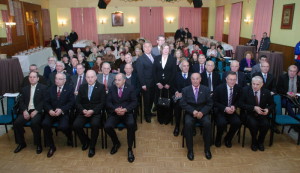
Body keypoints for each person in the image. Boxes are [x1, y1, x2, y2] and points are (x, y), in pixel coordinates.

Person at [104, 73, 137, 163]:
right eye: (115, 80)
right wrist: (115, 109)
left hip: (127, 113)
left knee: (131, 125)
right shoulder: (112, 88)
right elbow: (108, 102)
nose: (116, 82)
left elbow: (134, 102)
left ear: (124, 80)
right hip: (115, 113)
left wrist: (126, 109)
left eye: (119, 80)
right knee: (107, 126)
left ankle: (130, 149)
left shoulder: (131, 88)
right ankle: (116, 143)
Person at [73, 70, 106, 157]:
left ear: (96, 77)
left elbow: (102, 103)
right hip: (83, 112)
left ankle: (92, 146)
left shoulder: (101, 87)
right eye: (88, 77)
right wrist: (82, 110)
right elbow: (77, 102)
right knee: (76, 125)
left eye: (92, 77)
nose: (90, 79)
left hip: (95, 112)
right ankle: (85, 141)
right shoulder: (82, 87)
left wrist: (93, 111)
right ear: (85, 78)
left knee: (95, 125)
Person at [180, 73, 213, 160]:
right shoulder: (185, 90)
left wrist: (202, 112)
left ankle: (207, 149)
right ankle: (190, 150)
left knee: (207, 123)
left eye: (197, 79)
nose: (195, 80)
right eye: (193, 79)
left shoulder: (206, 89)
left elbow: (210, 104)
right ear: (191, 80)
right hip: (190, 113)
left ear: (200, 79)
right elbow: (182, 103)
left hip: (203, 113)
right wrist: (192, 111)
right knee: (188, 123)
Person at [42, 73, 75, 158]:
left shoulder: (69, 89)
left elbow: (71, 102)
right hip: (51, 112)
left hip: (63, 112)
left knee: (63, 126)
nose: (57, 80)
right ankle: (51, 146)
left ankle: (69, 136)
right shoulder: (50, 88)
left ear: (64, 80)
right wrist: (49, 110)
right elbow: (46, 102)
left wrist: (62, 109)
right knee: (45, 124)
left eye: (60, 79)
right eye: (56, 78)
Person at [14, 71, 47, 154]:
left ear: (38, 78)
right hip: (27, 110)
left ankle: (38, 144)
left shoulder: (43, 88)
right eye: (30, 77)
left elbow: (44, 101)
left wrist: (36, 111)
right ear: (28, 78)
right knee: (17, 123)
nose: (32, 79)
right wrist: (24, 111)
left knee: (34, 123)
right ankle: (21, 143)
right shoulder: (25, 89)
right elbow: (21, 101)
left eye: (34, 77)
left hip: (38, 111)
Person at [239, 76, 274, 151]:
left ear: (262, 84)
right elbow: (240, 104)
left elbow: (272, 104)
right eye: (253, 84)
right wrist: (253, 108)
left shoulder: (266, 92)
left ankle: (260, 142)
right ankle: (254, 142)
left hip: (261, 114)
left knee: (266, 124)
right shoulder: (245, 90)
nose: (255, 86)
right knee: (253, 124)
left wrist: (268, 109)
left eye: (257, 84)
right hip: (248, 114)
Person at [213, 71, 241, 148]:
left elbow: (239, 100)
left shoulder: (238, 88)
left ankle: (228, 138)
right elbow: (214, 102)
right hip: (221, 110)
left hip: (232, 111)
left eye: (234, 79)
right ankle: (218, 138)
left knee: (237, 122)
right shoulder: (219, 88)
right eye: (230, 79)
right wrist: (225, 108)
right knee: (221, 123)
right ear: (226, 79)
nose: (232, 81)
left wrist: (234, 106)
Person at [153, 43, 176, 124]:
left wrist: (169, 83)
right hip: (159, 84)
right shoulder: (156, 58)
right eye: (164, 48)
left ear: (169, 50)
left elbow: (174, 72)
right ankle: (160, 119)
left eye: (167, 48)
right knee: (159, 102)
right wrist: (157, 82)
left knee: (168, 102)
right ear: (161, 49)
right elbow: (154, 71)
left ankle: (167, 119)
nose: (166, 50)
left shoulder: (173, 59)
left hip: (168, 85)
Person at [136, 41, 155, 123]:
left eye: (149, 46)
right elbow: (140, 73)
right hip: (146, 84)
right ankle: (147, 115)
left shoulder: (155, 57)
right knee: (146, 100)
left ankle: (149, 112)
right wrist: (143, 84)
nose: (147, 48)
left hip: (154, 83)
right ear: (143, 49)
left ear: (151, 48)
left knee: (152, 99)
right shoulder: (140, 59)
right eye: (145, 47)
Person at [173, 60, 191, 136]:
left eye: (187, 66)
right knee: (177, 106)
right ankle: (177, 126)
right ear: (181, 67)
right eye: (184, 66)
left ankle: (185, 127)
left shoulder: (192, 76)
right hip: (178, 96)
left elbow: (193, 87)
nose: (186, 67)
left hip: (189, 97)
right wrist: (176, 92)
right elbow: (173, 86)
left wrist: (183, 94)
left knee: (189, 107)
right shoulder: (176, 75)